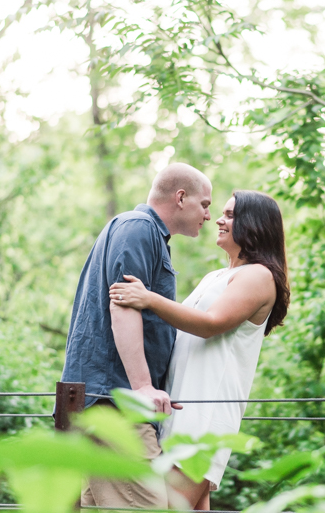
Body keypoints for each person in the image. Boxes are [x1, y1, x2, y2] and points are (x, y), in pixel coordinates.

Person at [109, 190, 290, 510]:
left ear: (255, 224)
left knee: (168, 507)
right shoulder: (217, 276)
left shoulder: (259, 276)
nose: (219, 220)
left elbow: (210, 323)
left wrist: (148, 298)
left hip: (205, 415)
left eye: (231, 215)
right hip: (180, 408)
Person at [59, 162, 212, 508]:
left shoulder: (143, 232)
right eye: (205, 204)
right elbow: (122, 304)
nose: (208, 215)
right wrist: (143, 387)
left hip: (111, 403)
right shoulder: (139, 228)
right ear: (181, 197)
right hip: (117, 405)